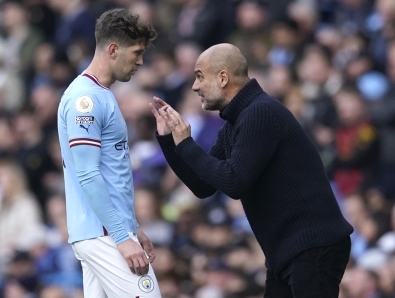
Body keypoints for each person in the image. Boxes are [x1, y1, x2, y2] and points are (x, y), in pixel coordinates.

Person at [150, 43, 354, 298]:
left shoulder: (260, 112)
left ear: (223, 78)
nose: (195, 86)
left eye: (200, 76)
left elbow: (235, 182)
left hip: (312, 247)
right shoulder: (238, 121)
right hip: (288, 252)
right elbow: (203, 186)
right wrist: (170, 141)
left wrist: (187, 143)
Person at [57, 8, 161, 297]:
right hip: (103, 234)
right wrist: (120, 236)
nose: (141, 61)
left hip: (105, 231)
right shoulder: (85, 100)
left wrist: (132, 227)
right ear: (113, 49)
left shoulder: (101, 93)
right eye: (137, 52)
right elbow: (88, 174)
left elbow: (111, 171)